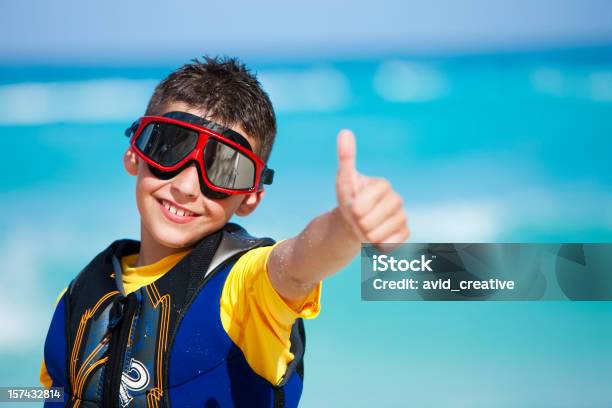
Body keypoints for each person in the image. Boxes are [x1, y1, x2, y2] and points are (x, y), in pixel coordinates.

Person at [40, 56, 409, 407]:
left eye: (224, 168)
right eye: (170, 147)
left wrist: (346, 227)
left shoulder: (244, 292)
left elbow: (297, 264)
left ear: (251, 197)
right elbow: (53, 393)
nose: (186, 185)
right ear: (135, 152)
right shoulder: (78, 296)